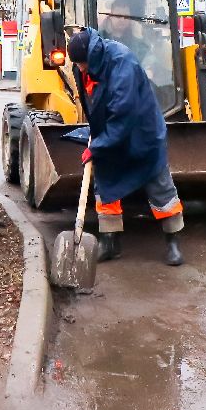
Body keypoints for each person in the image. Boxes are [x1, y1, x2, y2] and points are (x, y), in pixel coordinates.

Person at [66, 28, 184, 266]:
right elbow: (93, 104)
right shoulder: (85, 67)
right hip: (111, 132)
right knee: (106, 185)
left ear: (91, 55)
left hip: (142, 133)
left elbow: (123, 115)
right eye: (77, 65)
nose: (79, 69)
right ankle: (110, 243)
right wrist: (96, 134)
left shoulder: (122, 63)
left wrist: (98, 145)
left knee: (159, 185)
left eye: (82, 64)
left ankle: (173, 242)